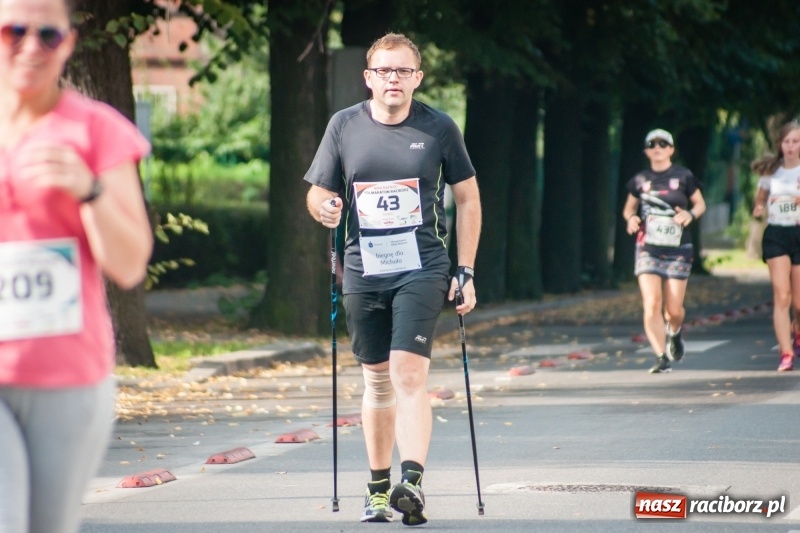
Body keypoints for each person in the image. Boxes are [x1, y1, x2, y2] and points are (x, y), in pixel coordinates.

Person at [304, 33, 481, 526]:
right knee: (377, 381)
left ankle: (412, 482)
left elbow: (468, 198)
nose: (394, 80)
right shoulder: (344, 126)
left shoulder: (439, 128)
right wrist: (327, 208)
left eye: (403, 71)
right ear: (369, 78)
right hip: (363, 267)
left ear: (417, 78)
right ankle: (378, 488)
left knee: (408, 374)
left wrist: (464, 270)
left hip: (422, 265)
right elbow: (317, 193)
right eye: (385, 71)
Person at [0, 0, 153, 531]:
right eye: (13, 31)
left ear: (68, 41)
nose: (29, 47)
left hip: (66, 376)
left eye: (48, 35)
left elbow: (130, 264)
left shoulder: (96, 130)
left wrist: (89, 190)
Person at [622, 129, 706, 374]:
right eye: (652, 144)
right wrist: (631, 219)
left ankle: (674, 332)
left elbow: (700, 204)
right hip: (648, 246)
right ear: (646, 151)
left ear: (671, 149)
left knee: (674, 309)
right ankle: (661, 356)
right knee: (652, 303)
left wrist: (690, 214)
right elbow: (629, 209)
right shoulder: (640, 180)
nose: (657, 147)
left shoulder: (684, 176)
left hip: (678, 248)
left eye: (663, 143)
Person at [751, 120, 800, 372]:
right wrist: (759, 208)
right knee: (782, 295)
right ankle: (786, 353)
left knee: (799, 302)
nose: (791, 147)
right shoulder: (771, 172)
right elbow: (759, 204)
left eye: (795, 141)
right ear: (780, 144)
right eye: (787, 141)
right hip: (777, 234)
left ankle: (797, 329)